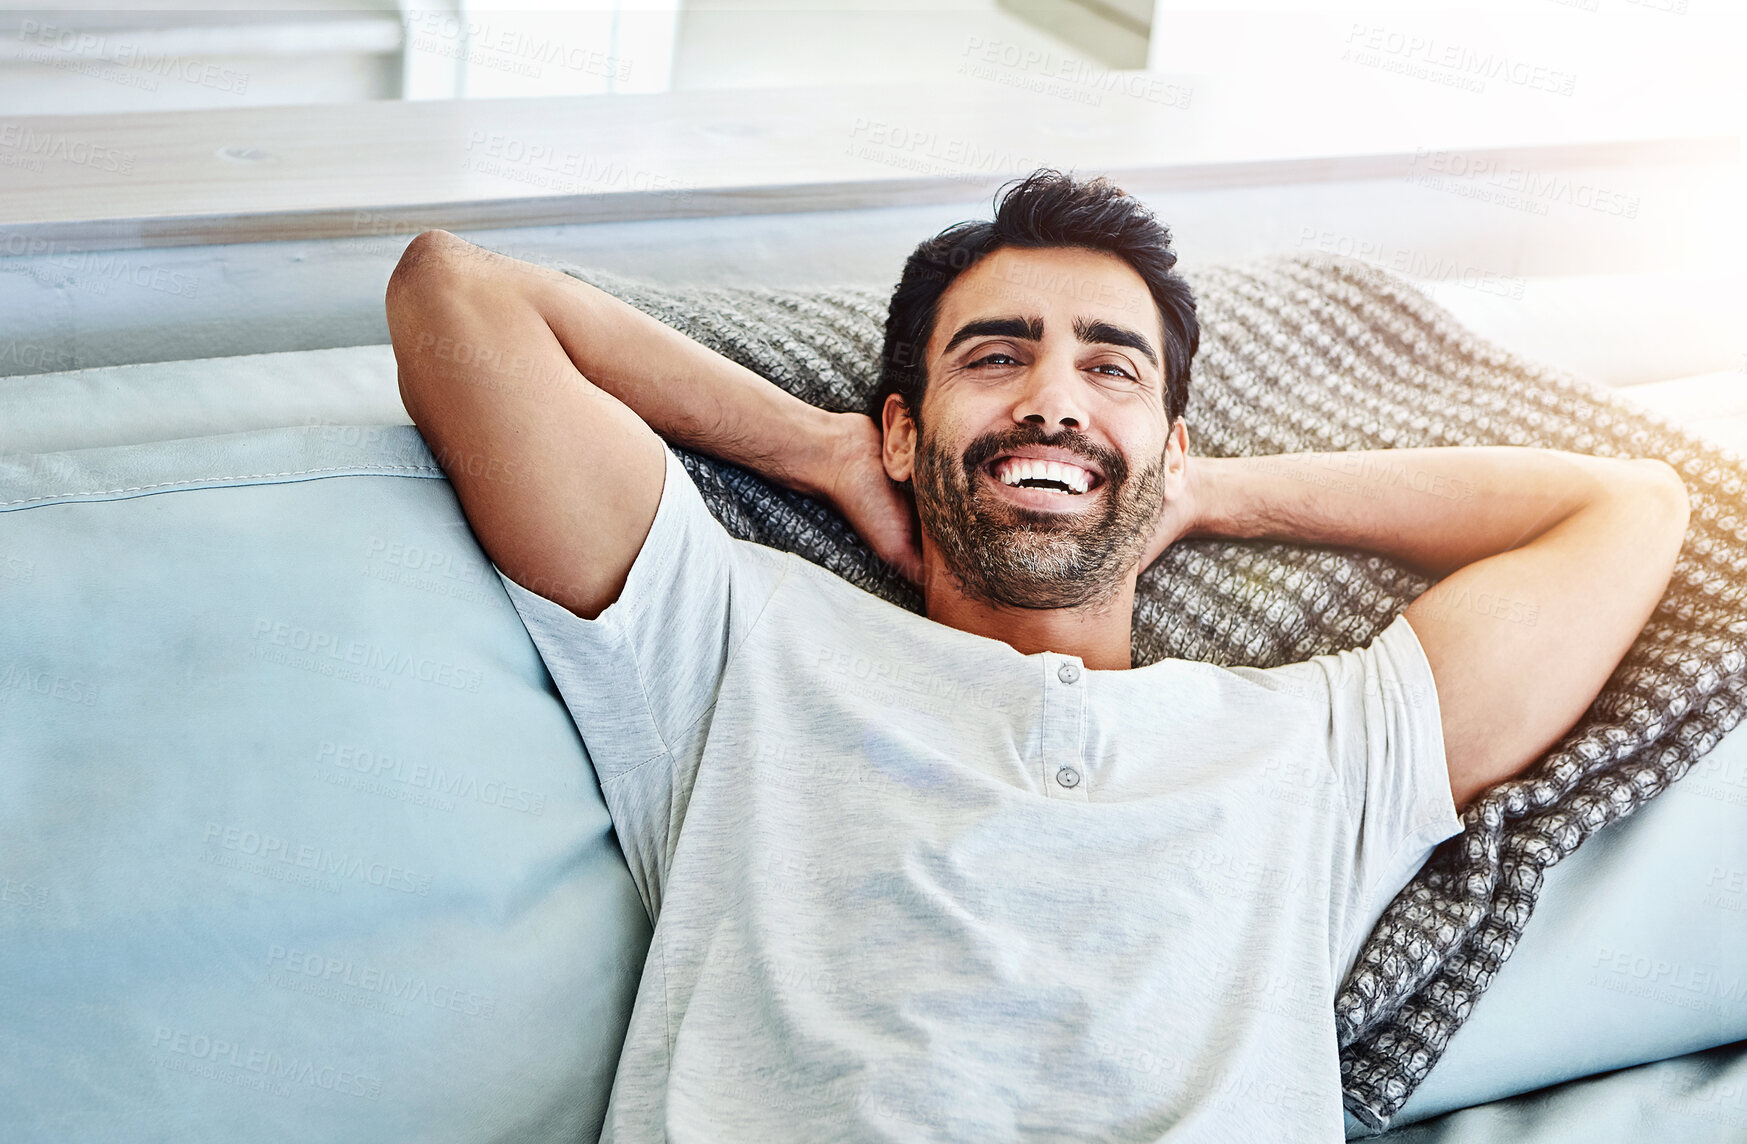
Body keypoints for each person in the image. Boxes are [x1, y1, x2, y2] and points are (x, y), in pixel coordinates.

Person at [383, 169, 1689, 1142]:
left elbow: (1626, 510)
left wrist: (1220, 494)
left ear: (1174, 447)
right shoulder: (740, 641)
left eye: (1111, 369)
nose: (1053, 397)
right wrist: (814, 445)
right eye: (996, 357)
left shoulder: (1318, 745)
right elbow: (457, 297)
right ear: (904, 428)